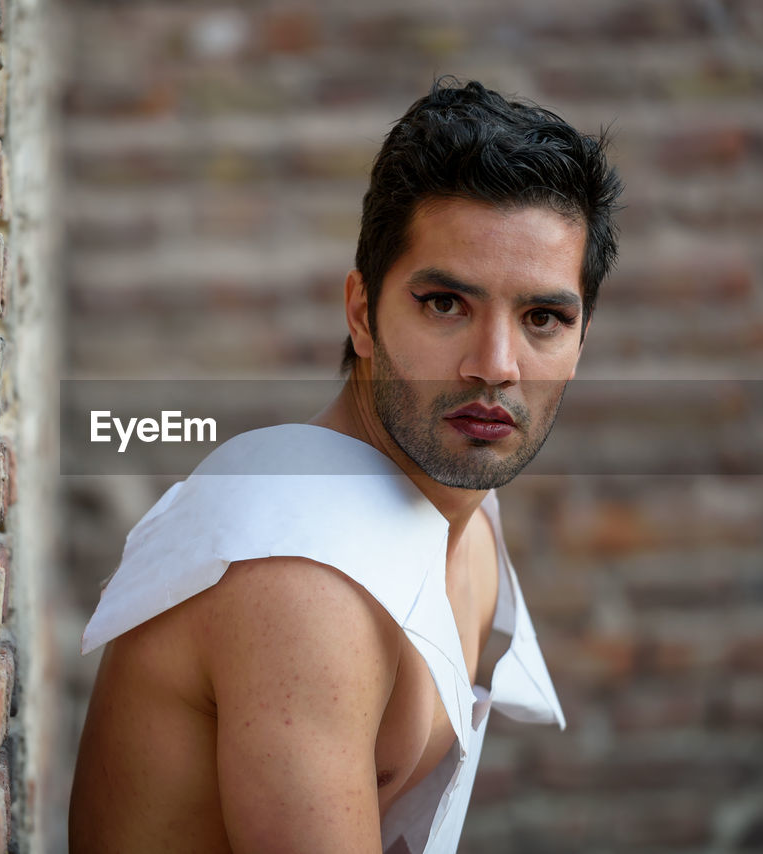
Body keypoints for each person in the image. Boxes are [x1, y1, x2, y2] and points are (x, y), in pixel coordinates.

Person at [69, 78, 623, 853]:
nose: (495, 366)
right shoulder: (304, 578)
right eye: (445, 304)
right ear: (362, 313)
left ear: (581, 340)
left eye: (542, 319)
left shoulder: (461, 516)